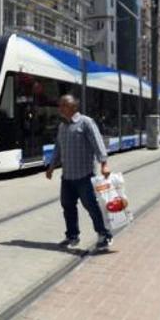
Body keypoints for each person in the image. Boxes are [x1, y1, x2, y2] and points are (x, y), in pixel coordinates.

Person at [46, 94, 113, 251]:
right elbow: (58, 148)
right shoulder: (62, 126)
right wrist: (51, 167)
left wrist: (104, 164)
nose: (60, 108)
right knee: (67, 206)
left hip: (85, 175)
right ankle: (72, 236)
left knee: (91, 206)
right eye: (60, 105)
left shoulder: (86, 122)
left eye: (63, 105)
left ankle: (104, 234)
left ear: (73, 107)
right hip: (67, 176)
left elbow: (98, 143)